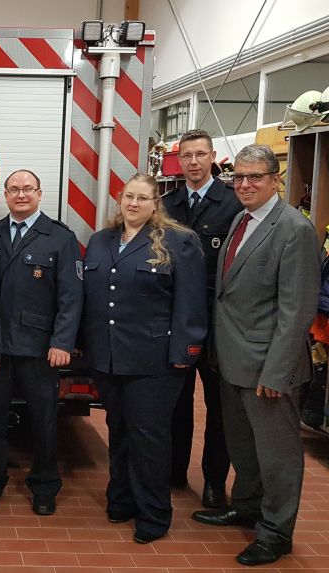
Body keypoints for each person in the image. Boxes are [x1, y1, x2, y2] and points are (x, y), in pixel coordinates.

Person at [192, 144, 320, 567]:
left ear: (275, 179)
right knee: (243, 447)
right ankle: (246, 506)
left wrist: (277, 371)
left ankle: (276, 532)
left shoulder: (293, 229)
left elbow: (297, 309)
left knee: (278, 456)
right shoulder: (240, 219)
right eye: (239, 178)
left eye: (255, 178)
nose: (244, 185)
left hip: (268, 367)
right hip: (232, 360)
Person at [82, 173, 207, 544]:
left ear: (156, 204)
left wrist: (187, 351)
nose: (133, 204)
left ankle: (153, 515)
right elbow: (90, 298)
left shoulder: (179, 242)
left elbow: (190, 303)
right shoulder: (101, 240)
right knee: (118, 432)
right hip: (108, 357)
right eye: (128, 196)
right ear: (120, 200)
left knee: (148, 437)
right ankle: (121, 500)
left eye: (142, 198)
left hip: (155, 363)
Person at [0, 169, 83, 515]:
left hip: (41, 350)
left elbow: (71, 296)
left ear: (39, 194)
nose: (21, 195)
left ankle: (44, 485)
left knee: (44, 421)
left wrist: (63, 342)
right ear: (4, 195)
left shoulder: (59, 238)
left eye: (28, 189)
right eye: (14, 190)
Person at [162, 129, 242, 507]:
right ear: (179, 162)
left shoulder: (232, 204)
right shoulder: (166, 204)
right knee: (175, 403)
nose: (193, 162)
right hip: (173, 321)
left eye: (200, 155)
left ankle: (213, 482)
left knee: (219, 408)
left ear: (213, 157)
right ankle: (174, 471)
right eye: (186, 156)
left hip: (216, 323)